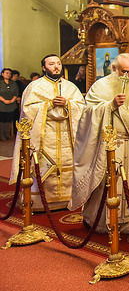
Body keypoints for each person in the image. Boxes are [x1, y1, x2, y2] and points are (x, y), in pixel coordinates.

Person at [69, 53, 129, 234]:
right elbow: (87, 114)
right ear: (114, 68)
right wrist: (110, 105)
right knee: (106, 187)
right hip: (108, 146)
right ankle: (99, 222)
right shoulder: (100, 86)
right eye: (124, 72)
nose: (128, 76)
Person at [9, 54, 85, 210]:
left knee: (67, 165)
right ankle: (40, 203)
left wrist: (67, 104)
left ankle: (68, 199)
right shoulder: (35, 87)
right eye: (51, 64)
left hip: (67, 137)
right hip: (44, 138)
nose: (56, 66)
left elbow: (82, 108)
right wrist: (49, 104)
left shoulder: (70, 87)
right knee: (42, 167)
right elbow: (27, 111)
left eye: (58, 63)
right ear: (44, 68)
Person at [0, 68, 19, 140]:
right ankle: (2, 135)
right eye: (7, 73)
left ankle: (7, 134)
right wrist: (4, 100)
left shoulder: (13, 83)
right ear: (2, 74)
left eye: (10, 73)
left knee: (9, 120)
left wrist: (12, 100)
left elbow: (16, 93)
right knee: (2, 120)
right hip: (1, 104)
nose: (8, 75)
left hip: (11, 104)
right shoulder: (1, 83)